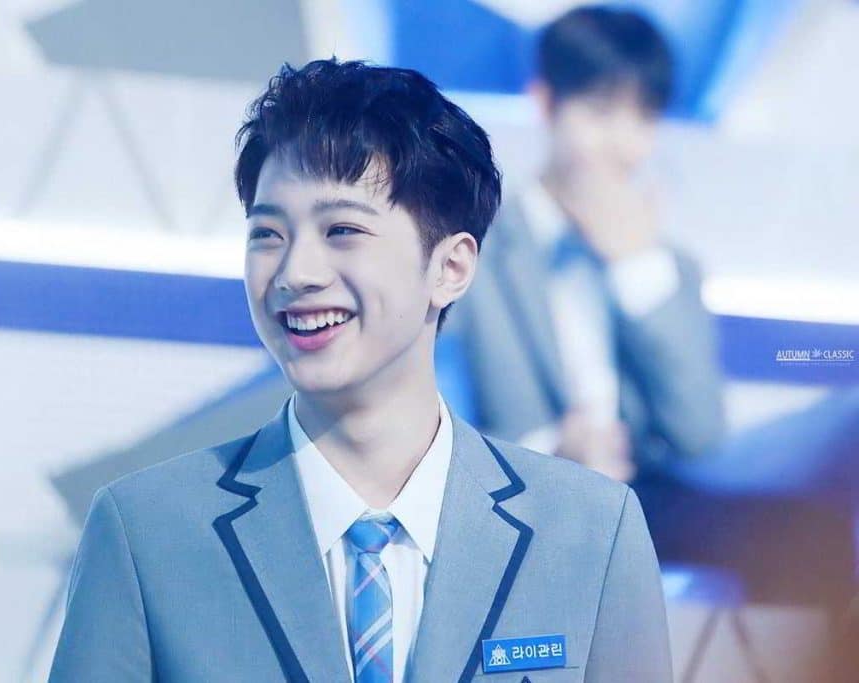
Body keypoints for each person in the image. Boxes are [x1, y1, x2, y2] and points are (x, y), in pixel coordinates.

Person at [49, 58, 672, 682]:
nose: (296, 272)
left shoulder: (591, 532)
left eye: (341, 229)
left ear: (451, 268)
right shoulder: (146, 532)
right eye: (268, 235)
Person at [449, 5, 725, 482]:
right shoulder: (472, 251)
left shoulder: (670, 268)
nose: (625, 144)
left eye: (644, 118)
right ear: (546, 104)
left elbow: (700, 435)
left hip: (640, 517)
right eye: (600, 113)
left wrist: (636, 266)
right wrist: (551, 454)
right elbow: (429, 428)